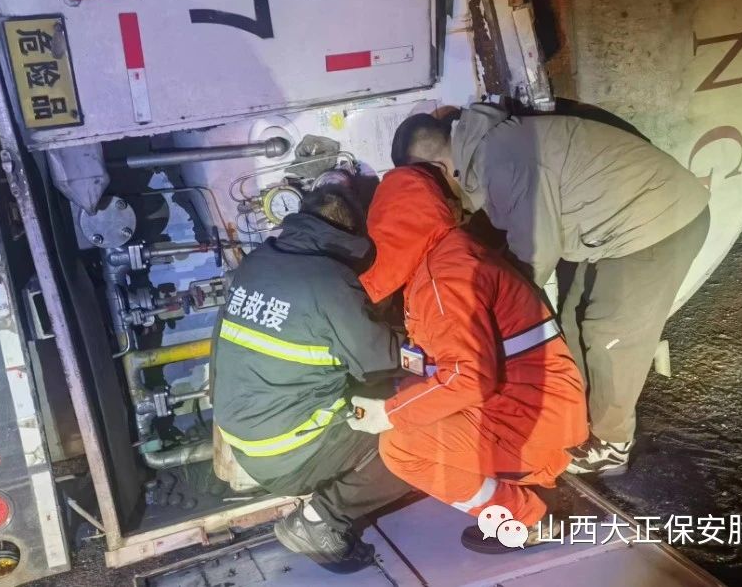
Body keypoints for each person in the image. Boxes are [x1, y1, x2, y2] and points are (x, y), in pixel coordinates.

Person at [392, 104, 711, 475]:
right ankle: (576, 422)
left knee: (608, 336)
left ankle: (612, 444)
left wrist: (493, 316)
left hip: (658, 220)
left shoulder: (501, 159)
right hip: (611, 227)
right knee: (570, 322)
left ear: (437, 168)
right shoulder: (483, 154)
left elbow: (535, 254)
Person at [347, 165, 587, 552]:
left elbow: (469, 377)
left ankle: (526, 520)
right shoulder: (443, 259)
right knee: (411, 406)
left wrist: (390, 413)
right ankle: (525, 487)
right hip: (534, 409)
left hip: (532, 424)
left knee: (400, 447)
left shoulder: (441, 281)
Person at [210, 171, 412, 570]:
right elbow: (385, 360)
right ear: (354, 232)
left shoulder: (257, 263)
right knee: (419, 431)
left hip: (245, 442)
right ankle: (321, 520)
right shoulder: (331, 283)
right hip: (289, 454)